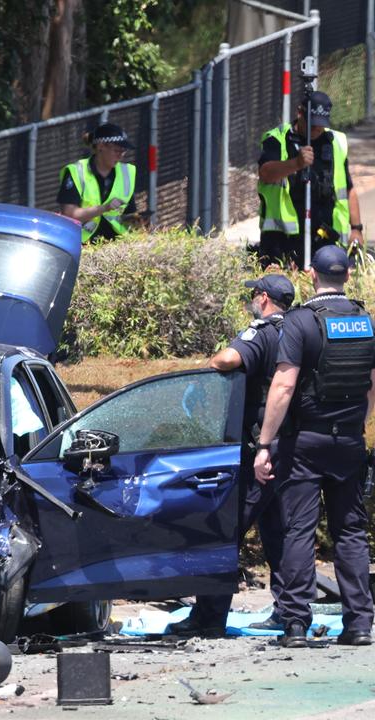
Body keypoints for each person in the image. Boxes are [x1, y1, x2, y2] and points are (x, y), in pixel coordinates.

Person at [253, 245, 375, 648]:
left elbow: (284, 385)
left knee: (299, 530)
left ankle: (294, 625)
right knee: (351, 532)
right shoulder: (364, 320)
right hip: (349, 440)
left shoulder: (302, 322)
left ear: (311, 275)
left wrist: (265, 442)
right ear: (347, 275)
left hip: (305, 441)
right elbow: (370, 384)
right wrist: (359, 424)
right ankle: (359, 624)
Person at [168, 274, 293, 637]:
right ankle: (290, 611)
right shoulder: (299, 330)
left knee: (224, 532)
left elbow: (227, 359)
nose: (252, 299)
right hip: (290, 446)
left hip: (258, 450)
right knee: (279, 534)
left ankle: (208, 618)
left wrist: (210, 365)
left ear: (265, 299)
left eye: (255, 294)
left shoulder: (261, 332)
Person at [256, 91, 364, 269]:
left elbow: (348, 187)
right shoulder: (278, 138)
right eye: (312, 124)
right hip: (282, 240)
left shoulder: (335, 141)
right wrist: (296, 164)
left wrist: (356, 228)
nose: (316, 129)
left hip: (325, 236)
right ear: (300, 113)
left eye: (320, 125)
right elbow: (266, 174)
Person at [57, 123, 139, 244]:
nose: (120, 156)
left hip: (118, 245)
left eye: (123, 151)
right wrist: (104, 208)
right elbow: (69, 214)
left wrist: (139, 222)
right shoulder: (76, 172)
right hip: (82, 244)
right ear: (101, 146)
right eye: (117, 150)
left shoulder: (127, 172)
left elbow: (129, 213)